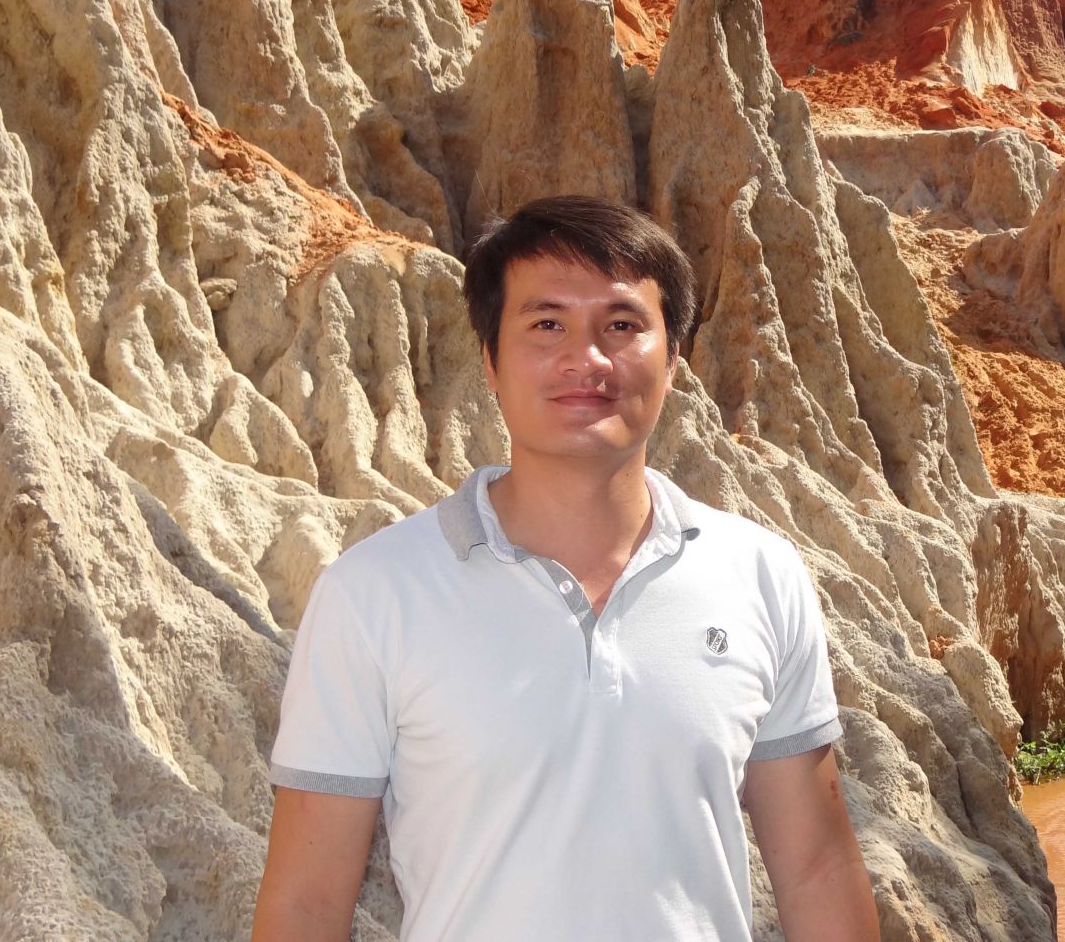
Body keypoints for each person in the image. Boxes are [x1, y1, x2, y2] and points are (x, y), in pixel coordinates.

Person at [252, 195, 880, 941]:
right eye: (547, 324)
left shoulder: (761, 575)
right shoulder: (373, 594)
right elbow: (305, 905)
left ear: (674, 362)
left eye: (621, 326)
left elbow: (816, 867)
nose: (587, 360)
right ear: (490, 361)